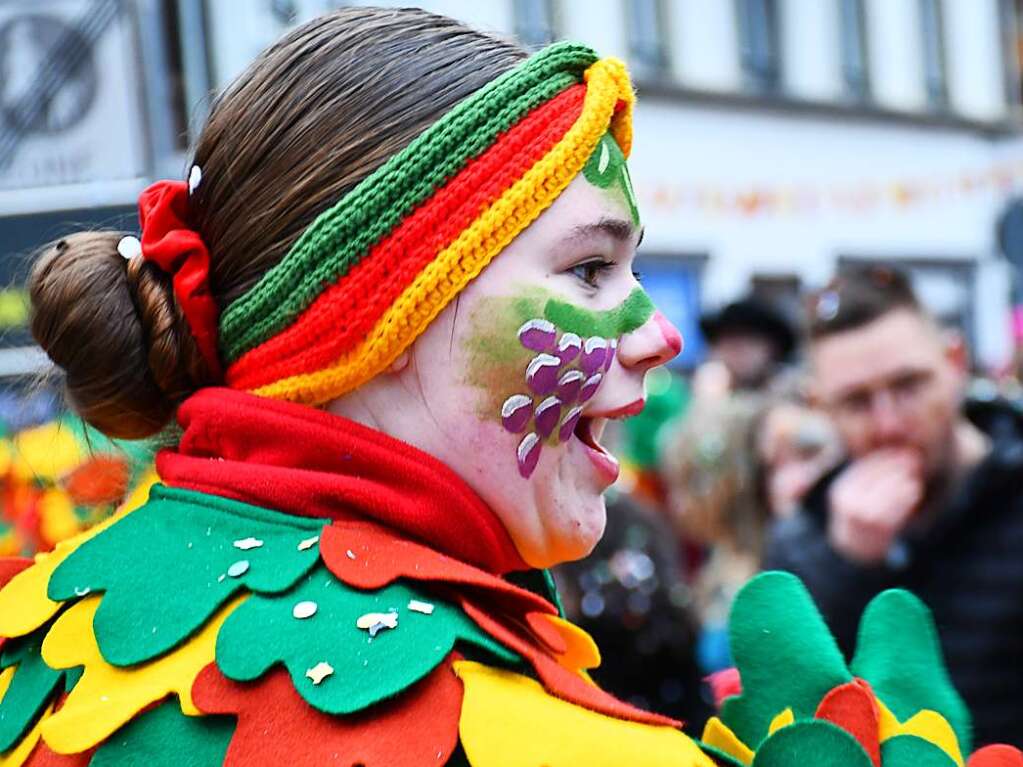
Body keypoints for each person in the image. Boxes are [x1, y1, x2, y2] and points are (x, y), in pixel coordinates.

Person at [0, 10, 720, 766]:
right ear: (381, 310)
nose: (658, 335)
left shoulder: (31, 634)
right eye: (588, 270)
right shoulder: (556, 746)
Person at [765, 266, 1023, 747]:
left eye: (908, 386)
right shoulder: (803, 539)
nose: (888, 423)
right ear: (823, 406)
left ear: (955, 362)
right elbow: (794, 727)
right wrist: (845, 566)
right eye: (857, 402)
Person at [698, 296, 797, 391]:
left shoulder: (794, 394)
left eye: (750, 340)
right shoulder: (695, 394)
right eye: (729, 339)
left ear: (774, 349)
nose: (737, 350)